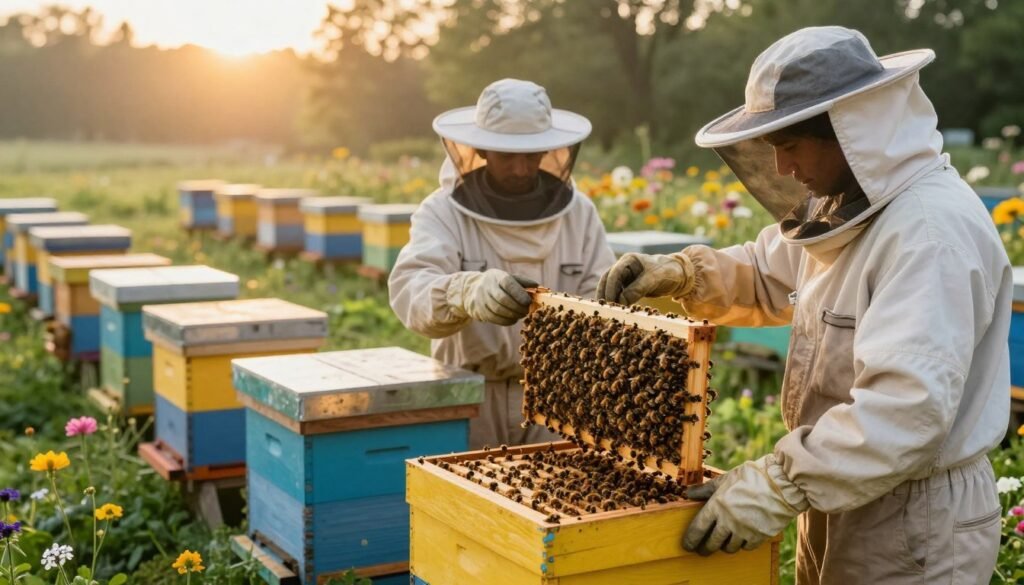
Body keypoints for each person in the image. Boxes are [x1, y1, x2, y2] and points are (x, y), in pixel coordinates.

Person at [598, 26, 1010, 583]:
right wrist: (680, 272)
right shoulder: (850, 208)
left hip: (916, 522)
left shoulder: (927, 234)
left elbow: (904, 410)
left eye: (789, 146)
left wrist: (780, 482)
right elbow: (771, 272)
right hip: (844, 488)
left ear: (851, 131)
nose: (784, 169)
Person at [390, 78, 616, 450]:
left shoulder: (579, 214)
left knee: (553, 501)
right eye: (507, 155)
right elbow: (409, 291)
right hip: (470, 393)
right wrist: (463, 291)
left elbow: (603, 302)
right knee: (469, 506)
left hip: (559, 394)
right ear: (480, 150)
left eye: (530, 155)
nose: (520, 169)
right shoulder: (442, 212)